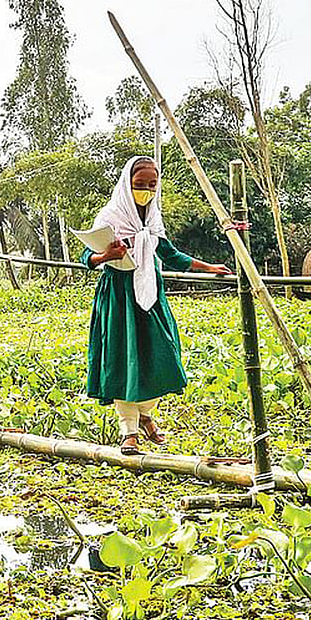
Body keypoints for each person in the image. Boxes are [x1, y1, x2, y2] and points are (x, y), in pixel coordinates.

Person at [82, 156, 231, 455]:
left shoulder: (153, 219)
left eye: (152, 185)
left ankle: (146, 414)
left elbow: (171, 254)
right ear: (127, 184)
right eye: (140, 185)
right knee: (123, 359)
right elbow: (88, 257)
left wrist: (209, 267)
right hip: (119, 295)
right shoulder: (110, 216)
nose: (146, 190)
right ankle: (129, 431)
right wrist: (106, 256)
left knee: (162, 353)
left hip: (150, 291)